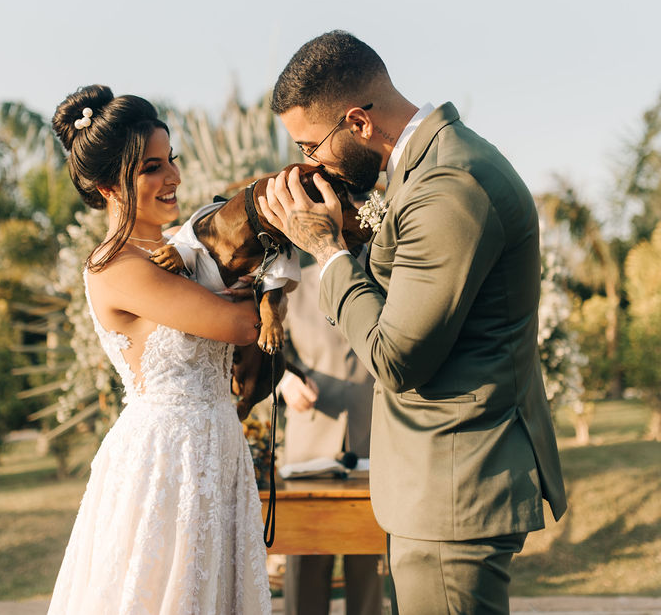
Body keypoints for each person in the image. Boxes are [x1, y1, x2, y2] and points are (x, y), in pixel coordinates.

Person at [259, 31, 567, 615]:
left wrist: (327, 253)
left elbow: (396, 357)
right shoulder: (422, 173)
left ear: (358, 121)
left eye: (310, 145)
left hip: (454, 484)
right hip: (435, 485)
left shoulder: (449, 185)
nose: (308, 164)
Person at [46, 85, 272, 615]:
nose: (172, 178)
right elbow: (241, 325)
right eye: (150, 167)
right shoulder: (115, 266)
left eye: (170, 160)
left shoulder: (186, 249)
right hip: (167, 458)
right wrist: (255, 291)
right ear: (107, 184)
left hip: (218, 443)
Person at [277, 262, 383, 615]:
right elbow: (265, 353)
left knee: (368, 568)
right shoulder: (291, 282)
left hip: (373, 441)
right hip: (308, 444)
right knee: (305, 569)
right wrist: (283, 382)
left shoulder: (385, 273)